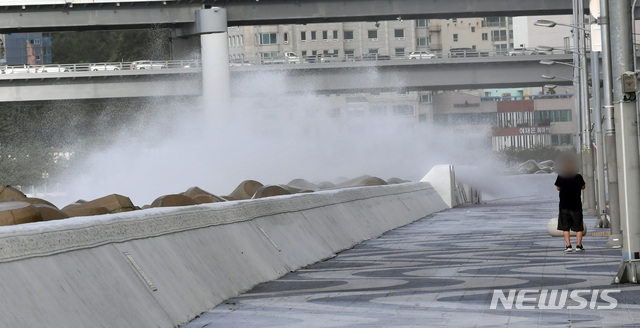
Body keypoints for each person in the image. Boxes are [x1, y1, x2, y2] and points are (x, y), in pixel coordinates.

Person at [555, 156, 586, 252]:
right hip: (576, 205)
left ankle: (568, 246)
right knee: (578, 226)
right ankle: (579, 245)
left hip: (564, 205)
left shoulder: (561, 176)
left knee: (565, 227)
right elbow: (583, 187)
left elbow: (558, 188)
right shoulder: (578, 177)